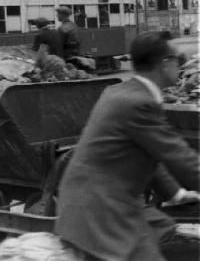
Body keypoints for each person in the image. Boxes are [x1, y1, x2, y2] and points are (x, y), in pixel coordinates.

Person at [55, 31, 200, 261]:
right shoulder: (139, 103)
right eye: (178, 60)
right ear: (165, 64)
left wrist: (176, 193)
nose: (180, 66)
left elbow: (148, 151)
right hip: (100, 210)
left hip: (94, 203)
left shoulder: (121, 91)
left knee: (165, 232)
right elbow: (180, 157)